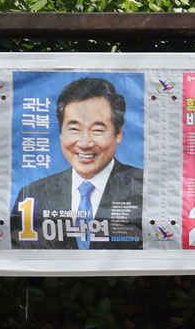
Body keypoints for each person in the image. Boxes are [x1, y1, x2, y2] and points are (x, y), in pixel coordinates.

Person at [10, 76, 143, 250]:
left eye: (97, 130)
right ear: (60, 133)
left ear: (118, 133)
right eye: (74, 129)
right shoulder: (33, 195)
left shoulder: (146, 188)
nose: (85, 143)